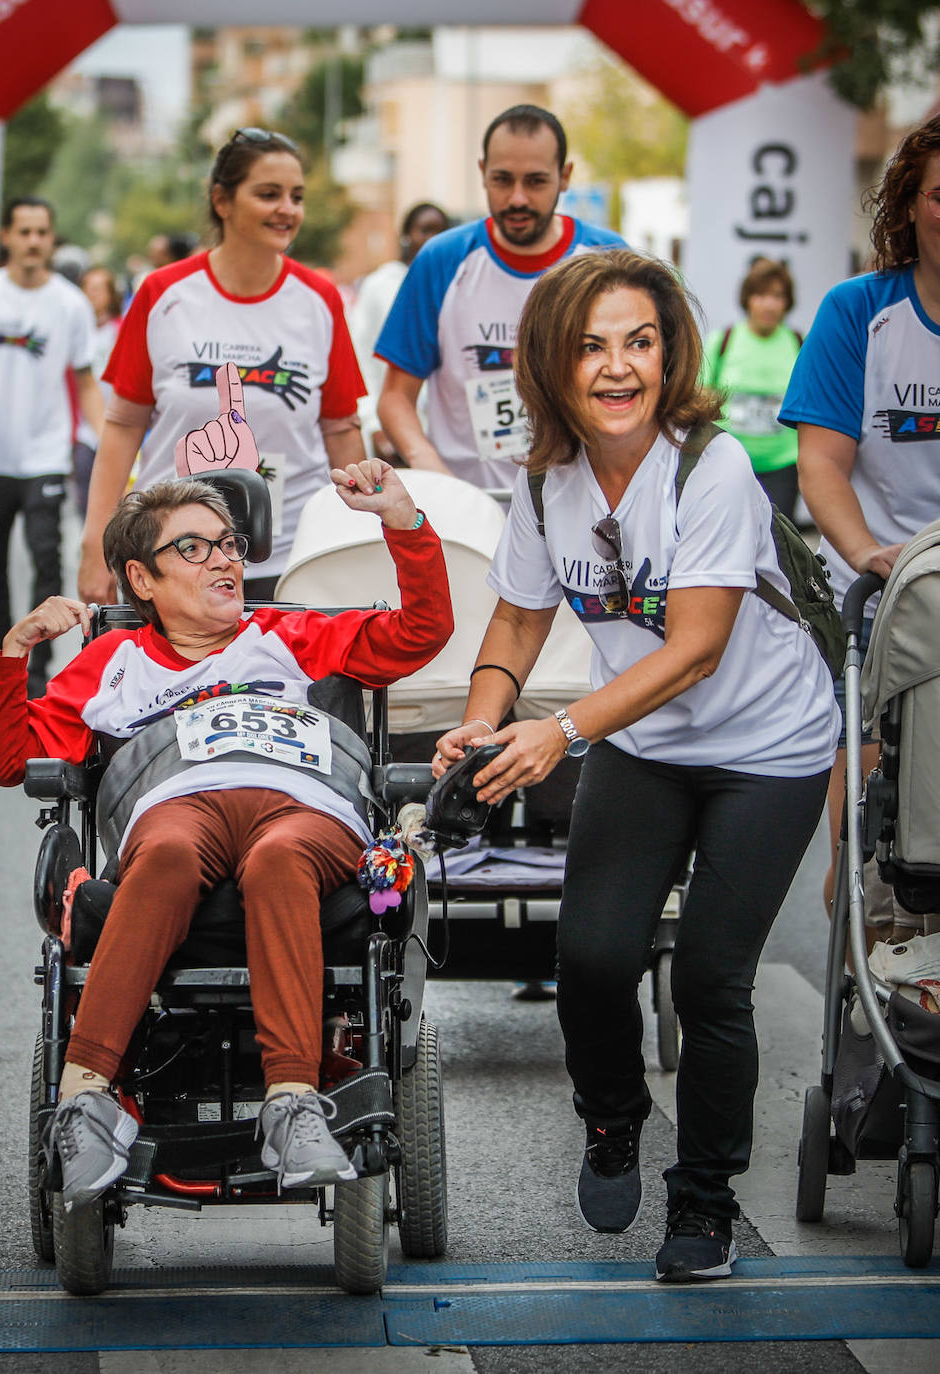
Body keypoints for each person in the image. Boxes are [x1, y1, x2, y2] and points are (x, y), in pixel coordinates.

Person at [433, 249, 838, 1282]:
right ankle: (611, 1119)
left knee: (709, 977)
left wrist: (556, 734)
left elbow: (693, 645)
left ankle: (700, 1205)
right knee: (593, 957)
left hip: (766, 747)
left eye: (638, 343)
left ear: (667, 355)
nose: (617, 368)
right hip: (645, 744)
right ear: (552, 365)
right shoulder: (544, 480)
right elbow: (520, 616)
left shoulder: (711, 467)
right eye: (590, 347)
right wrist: (484, 721)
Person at [0, 459, 451, 1206]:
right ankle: (83, 1102)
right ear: (142, 579)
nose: (226, 559)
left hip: (300, 802)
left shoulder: (287, 634)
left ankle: (292, 1104)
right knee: (164, 853)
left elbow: (420, 632)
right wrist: (15, 655)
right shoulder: (112, 662)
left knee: (280, 856)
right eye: (195, 548)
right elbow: (14, 763)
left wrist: (403, 521)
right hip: (177, 802)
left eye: (229, 544)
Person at [78, 129, 366, 604]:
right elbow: (124, 423)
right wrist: (95, 543)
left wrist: (357, 540)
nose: (287, 209)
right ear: (222, 201)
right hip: (171, 558)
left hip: (290, 557)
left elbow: (341, 429)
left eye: (297, 196)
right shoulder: (163, 293)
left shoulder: (320, 299)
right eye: (268, 194)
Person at [779, 113, 940, 941]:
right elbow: (823, 466)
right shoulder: (861, 313)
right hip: (886, 598)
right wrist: (864, 553)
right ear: (910, 204)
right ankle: (866, 981)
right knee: (874, 839)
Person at [375, 104, 625, 490]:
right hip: (469, 506)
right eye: (502, 180)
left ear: (565, 176)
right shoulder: (443, 259)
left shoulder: (608, 258)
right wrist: (435, 475)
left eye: (536, 182)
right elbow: (395, 398)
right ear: (482, 173)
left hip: (579, 508)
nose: (517, 199)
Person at [0, 197, 105, 698]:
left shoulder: (69, 304)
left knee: (46, 556)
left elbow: (85, 382)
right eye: (25, 232)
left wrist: (105, 441)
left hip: (45, 455)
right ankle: (5, 650)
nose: (34, 241)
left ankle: (35, 667)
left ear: (51, 239)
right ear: (7, 237)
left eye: (42, 232)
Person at [347, 202, 450, 461]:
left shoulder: (456, 284)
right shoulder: (380, 285)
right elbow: (360, 359)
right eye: (424, 230)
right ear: (406, 235)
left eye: (440, 231)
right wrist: (374, 425)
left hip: (443, 437)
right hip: (392, 434)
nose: (432, 239)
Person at [701, 258, 803, 517]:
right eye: (760, 294)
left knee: (778, 545)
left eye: (777, 296)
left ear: (787, 303)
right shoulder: (722, 341)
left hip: (783, 464)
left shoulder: (799, 343)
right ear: (747, 299)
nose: (769, 304)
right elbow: (698, 395)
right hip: (727, 462)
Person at [70, 265, 123, 516]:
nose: (94, 295)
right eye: (88, 289)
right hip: (83, 430)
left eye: (100, 289)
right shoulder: (76, 332)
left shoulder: (121, 331)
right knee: (84, 495)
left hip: (116, 426)